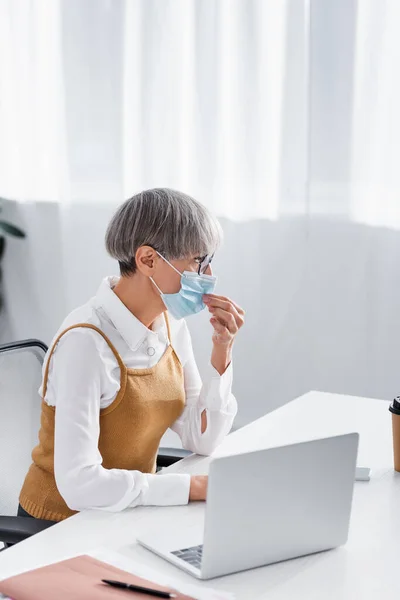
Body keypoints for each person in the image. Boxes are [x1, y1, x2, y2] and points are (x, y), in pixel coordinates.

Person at [19, 188, 244, 522]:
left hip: (127, 514)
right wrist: (190, 488)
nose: (208, 277)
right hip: (60, 525)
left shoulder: (170, 326)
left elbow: (203, 439)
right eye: (199, 262)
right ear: (148, 260)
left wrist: (222, 351)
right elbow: (78, 484)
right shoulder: (85, 342)